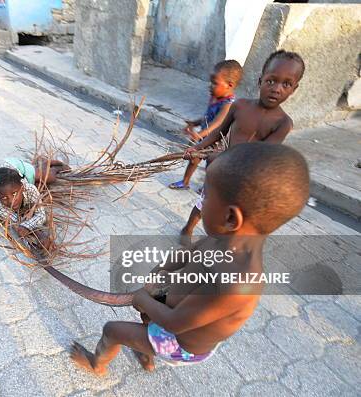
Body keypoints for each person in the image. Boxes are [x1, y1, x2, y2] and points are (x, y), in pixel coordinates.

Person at [69, 142, 310, 375]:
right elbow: (184, 255)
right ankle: (146, 352)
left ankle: (96, 364)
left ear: (230, 218)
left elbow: (174, 323)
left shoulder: (237, 283)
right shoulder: (221, 238)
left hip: (179, 342)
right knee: (147, 311)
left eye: (205, 196)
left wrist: (143, 297)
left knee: (113, 329)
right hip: (176, 312)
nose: (200, 202)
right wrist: (158, 274)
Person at [180, 50, 305, 238]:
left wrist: (220, 157)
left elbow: (261, 155)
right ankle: (187, 230)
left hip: (246, 181)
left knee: (234, 218)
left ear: (294, 89)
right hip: (220, 172)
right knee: (205, 203)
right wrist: (197, 148)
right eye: (271, 80)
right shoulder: (239, 106)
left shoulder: (283, 123)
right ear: (260, 80)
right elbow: (218, 132)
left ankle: (219, 242)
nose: (277, 88)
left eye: (286, 84)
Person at [169, 60, 243, 190]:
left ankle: (206, 189)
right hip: (204, 137)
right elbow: (207, 116)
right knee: (193, 159)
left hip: (217, 142)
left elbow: (218, 123)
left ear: (229, 85)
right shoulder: (215, 96)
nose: (210, 86)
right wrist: (195, 123)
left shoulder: (228, 104)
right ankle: (185, 182)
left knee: (211, 166)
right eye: (211, 82)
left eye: (215, 83)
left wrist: (199, 135)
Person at [0, 166, 51, 250]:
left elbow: (41, 215)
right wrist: (36, 232)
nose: (11, 201)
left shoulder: (30, 189)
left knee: (50, 177)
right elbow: (18, 221)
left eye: (14, 194)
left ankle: (52, 167)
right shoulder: (1, 208)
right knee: (40, 183)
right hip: (7, 174)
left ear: (22, 188)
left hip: (21, 167)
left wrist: (27, 228)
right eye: (4, 198)